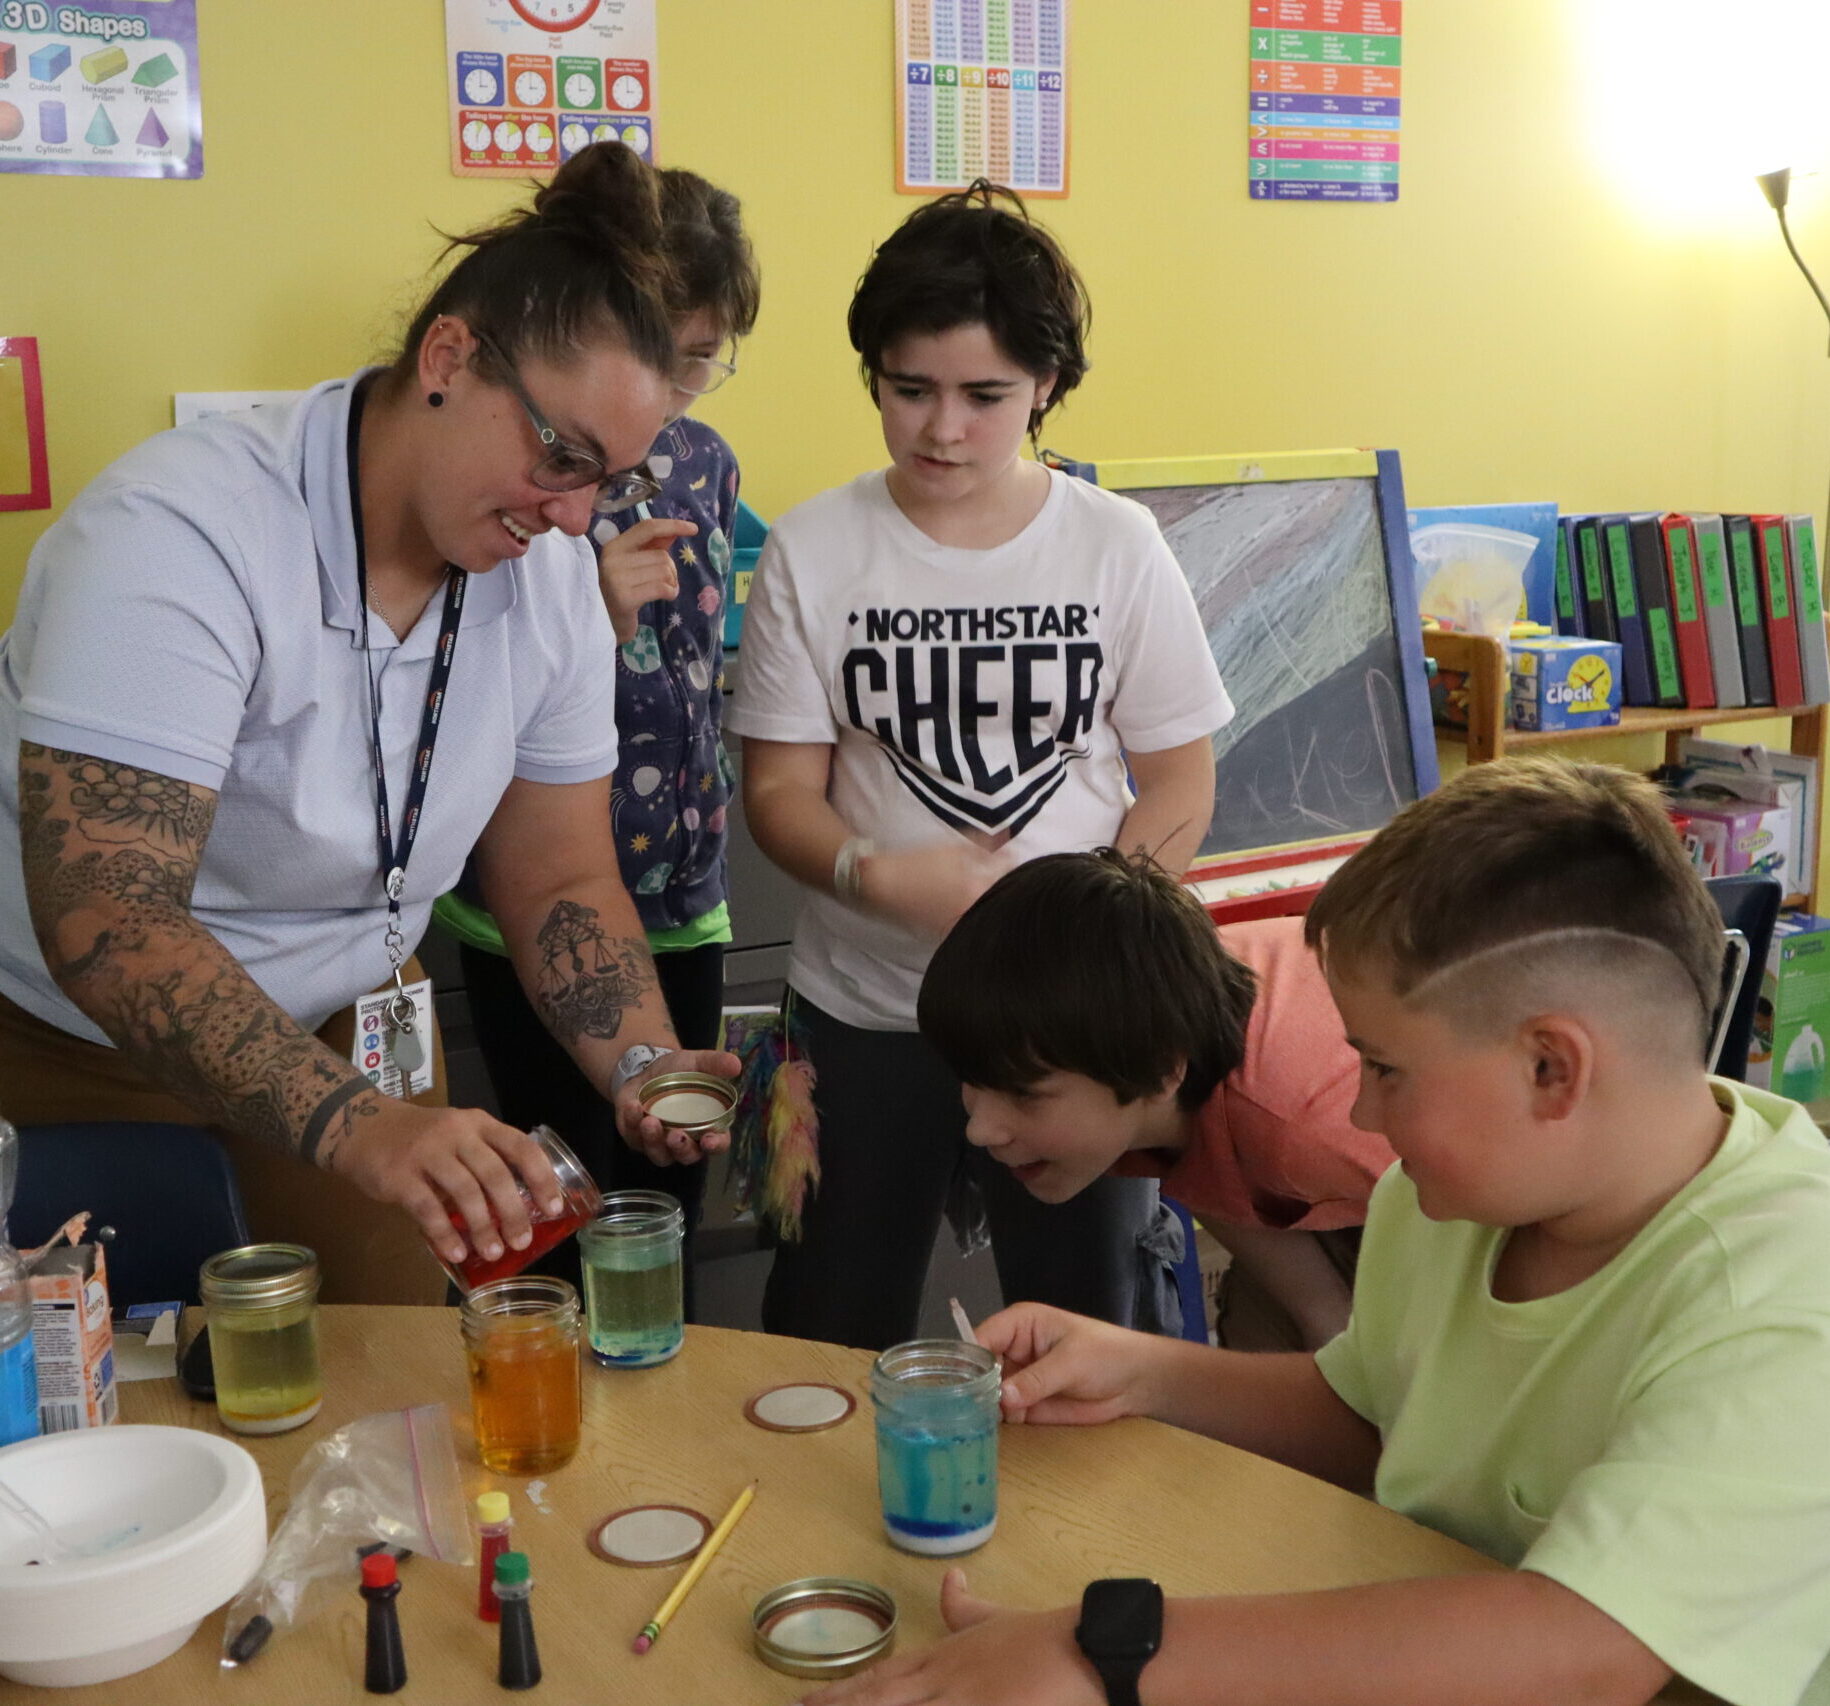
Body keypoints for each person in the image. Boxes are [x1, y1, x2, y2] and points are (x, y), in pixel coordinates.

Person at [807, 758, 1830, 1706]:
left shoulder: (1781, 1290)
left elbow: (1587, 1645)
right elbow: (1378, 1409)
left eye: (1384, 1069)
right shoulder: (1449, 1204)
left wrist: (1105, 1650)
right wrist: (1140, 1368)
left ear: (1552, 1067)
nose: (1366, 1116)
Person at [0, 143, 736, 1304]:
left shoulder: (543, 585)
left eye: (612, 482)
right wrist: (362, 1126)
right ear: (449, 357)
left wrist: (641, 1060)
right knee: (106, 1399)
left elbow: (556, 880)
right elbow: (110, 917)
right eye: (561, 455)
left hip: (355, 1038)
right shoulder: (179, 533)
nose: (573, 514)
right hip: (81, 1050)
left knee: (389, 1412)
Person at [725, 180, 1232, 1350]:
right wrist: (870, 873)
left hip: (1074, 1033)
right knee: (828, 1325)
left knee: (1089, 1320)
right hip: (860, 1016)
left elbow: (1180, 780)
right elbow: (778, 793)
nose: (942, 429)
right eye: (910, 390)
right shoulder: (816, 545)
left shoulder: (1115, 543)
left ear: (1046, 386)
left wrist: (1083, 948)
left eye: (985, 396)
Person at [436, 159, 759, 1313]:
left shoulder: (707, 463)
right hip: (528, 889)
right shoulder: (503, 484)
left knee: (663, 1186)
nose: (671, 391)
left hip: (679, 885)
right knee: (543, 1214)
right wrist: (595, 610)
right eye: (664, 349)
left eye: (697, 362)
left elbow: (704, 656)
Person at [918, 848, 1395, 1349]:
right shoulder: (1136, 1025)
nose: (980, 1129)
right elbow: (1215, 1177)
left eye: (1025, 1094)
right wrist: (1322, 1314)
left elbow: (1482, 1226)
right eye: (972, 1079)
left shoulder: (1308, 1122)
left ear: (1164, 1070)